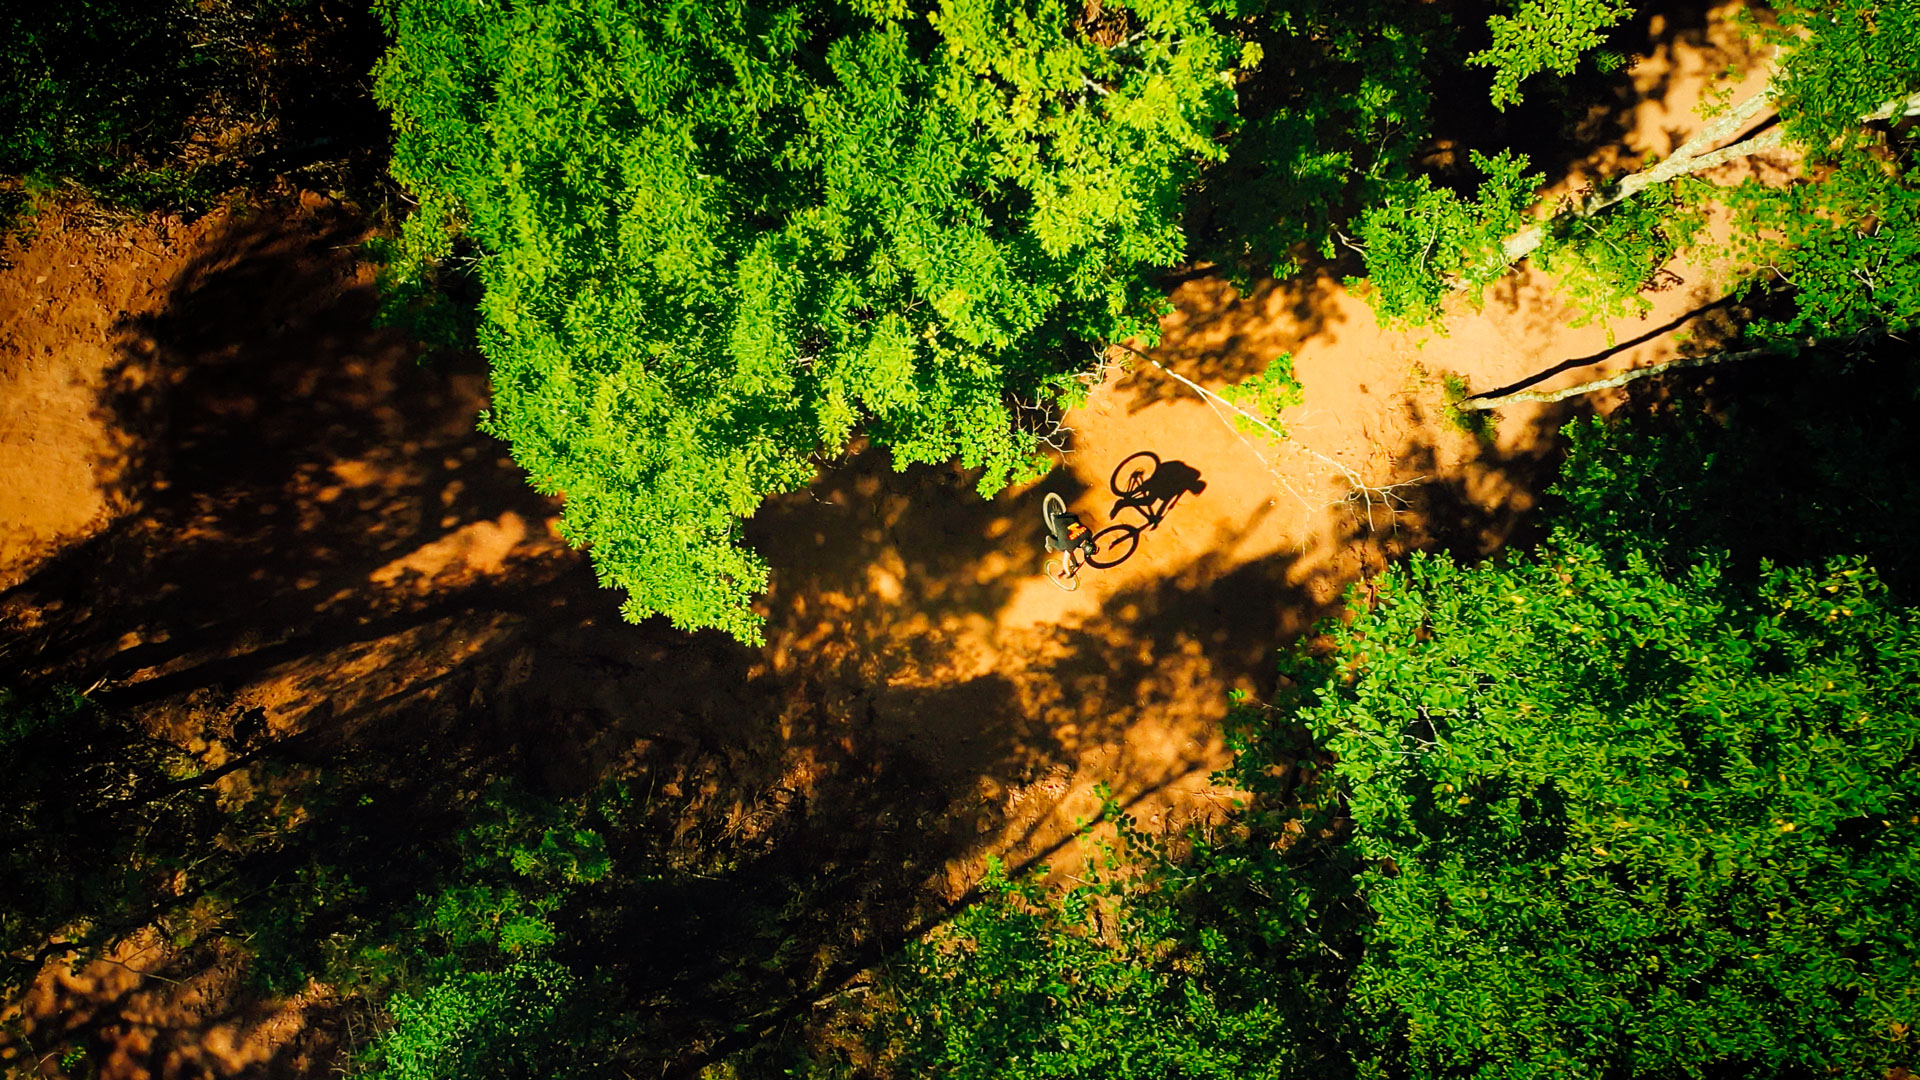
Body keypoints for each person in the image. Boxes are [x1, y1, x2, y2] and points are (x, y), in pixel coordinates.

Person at [1045, 504, 1097, 574]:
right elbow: (1065, 561)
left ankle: (1075, 563)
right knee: (1063, 547)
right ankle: (1050, 540)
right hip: (1059, 522)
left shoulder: (1088, 533)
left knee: (1069, 547)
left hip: (1070, 516)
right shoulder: (1070, 545)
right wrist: (1068, 573)